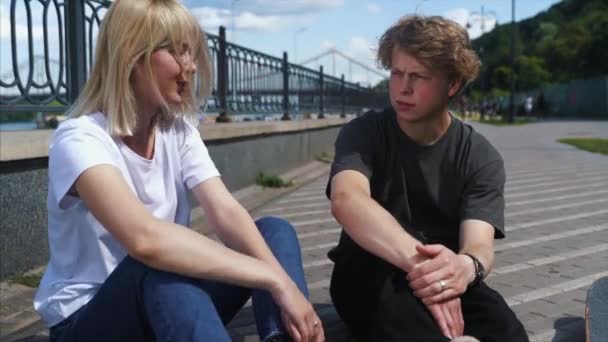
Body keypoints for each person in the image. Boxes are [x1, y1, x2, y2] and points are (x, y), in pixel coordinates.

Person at [33, 1, 324, 341]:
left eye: (191, 51)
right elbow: (146, 241)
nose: (191, 65)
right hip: (90, 321)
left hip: (166, 301)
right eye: (175, 51)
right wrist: (274, 278)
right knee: (159, 266)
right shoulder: (80, 139)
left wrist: (283, 283)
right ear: (132, 55)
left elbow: (225, 211)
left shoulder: (178, 129)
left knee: (272, 232)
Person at [325, 15, 529, 342]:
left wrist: (465, 268)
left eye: (418, 76)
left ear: (453, 84)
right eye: (396, 73)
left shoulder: (479, 155)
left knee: (506, 331)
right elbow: (347, 200)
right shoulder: (364, 132)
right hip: (370, 269)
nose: (403, 88)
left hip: (445, 273)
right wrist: (426, 268)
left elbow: (478, 245)